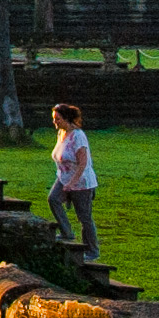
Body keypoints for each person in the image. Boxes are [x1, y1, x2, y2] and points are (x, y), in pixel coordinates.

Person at [45, 102, 99, 257]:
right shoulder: (61, 134)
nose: (55, 121)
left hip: (82, 182)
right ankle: (67, 232)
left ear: (66, 118)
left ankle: (92, 250)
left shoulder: (78, 137)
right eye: (54, 118)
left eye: (58, 118)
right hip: (63, 178)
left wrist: (72, 183)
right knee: (53, 199)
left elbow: (83, 163)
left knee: (84, 218)